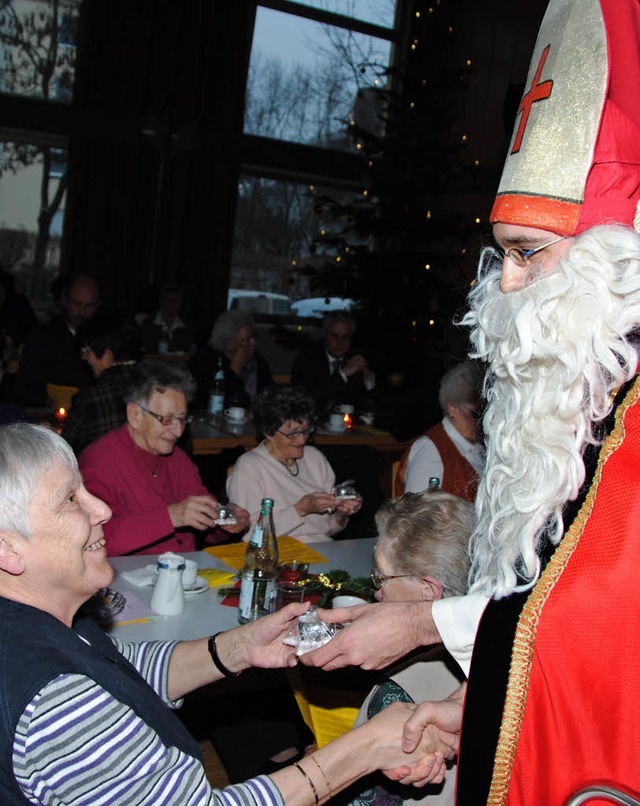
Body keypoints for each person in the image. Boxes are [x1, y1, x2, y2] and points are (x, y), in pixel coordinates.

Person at [304, 1, 640, 802]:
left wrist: (421, 625)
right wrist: (471, 703)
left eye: (528, 255)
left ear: (613, 258)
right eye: (502, 257)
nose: (504, 288)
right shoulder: (588, 393)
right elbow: (550, 613)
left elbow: (597, 626)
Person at [0, 422, 447, 805]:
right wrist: (365, 747)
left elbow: (120, 667)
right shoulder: (56, 702)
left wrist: (236, 648)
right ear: (8, 548)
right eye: (70, 500)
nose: (102, 508)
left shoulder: (39, 623)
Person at [349, 490, 472, 806]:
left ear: (429, 590)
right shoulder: (518, 656)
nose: (376, 592)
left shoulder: (398, 693)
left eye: (381, 577)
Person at [79, 359, 250, 555]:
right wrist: (170, 517)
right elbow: (94, 539)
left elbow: (208, 533)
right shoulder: (99, 461)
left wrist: (226, 522)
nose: (177, 432)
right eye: (166, 419)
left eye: (182, 419)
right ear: (134, 415)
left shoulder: (178, 460)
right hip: (125, 578)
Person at [227, 384, 362, 543]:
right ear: (268, 432)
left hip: (321, 549)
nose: (302, 439)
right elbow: (253, 536)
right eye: (292, 434)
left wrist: (341, 514)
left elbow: (328, 529)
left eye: (306, 430)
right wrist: (300, 509)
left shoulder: (314, 458)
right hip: (274, 554)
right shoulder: (249, 467)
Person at [393, 361, 484, 500]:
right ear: (452, 408)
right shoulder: (431, 451)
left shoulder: (479, 447)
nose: (483, 420)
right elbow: (418, 516)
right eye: (476, 413)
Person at [61, 316, 142, 454]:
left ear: (107, 355)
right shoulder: (155, 386)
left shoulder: (90, 399)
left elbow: (63, 450)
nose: (84, 357)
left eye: (87, 351)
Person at [16, 274, 100, 406]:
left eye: (89, 306)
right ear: (64, 300)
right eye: (76, 303)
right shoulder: (42, 337)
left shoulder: (103, 337)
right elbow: (27, 384)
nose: (82, 312)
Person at [291, 311, 375, 417]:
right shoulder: (306, 358)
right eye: (334, 336)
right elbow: (305, 401)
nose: (340, 343)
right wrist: (342, 374)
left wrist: (368, 379)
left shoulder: (356, 359)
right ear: (325, 335)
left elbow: (367, 404)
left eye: (345, 337)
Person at [189, 310, 273, 409]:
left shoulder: (259, 364)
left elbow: (270, 399)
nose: (254, 342)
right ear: (229, 343)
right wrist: (234, 371)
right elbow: (210, 403)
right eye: (247, 339)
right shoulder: (204, 362)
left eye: (254, 337)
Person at [139, 282, 195, 355]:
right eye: (172, 301)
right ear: (162, 302)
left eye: (179, 302)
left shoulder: (186, 326)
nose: (177, 305)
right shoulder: (149, 324)